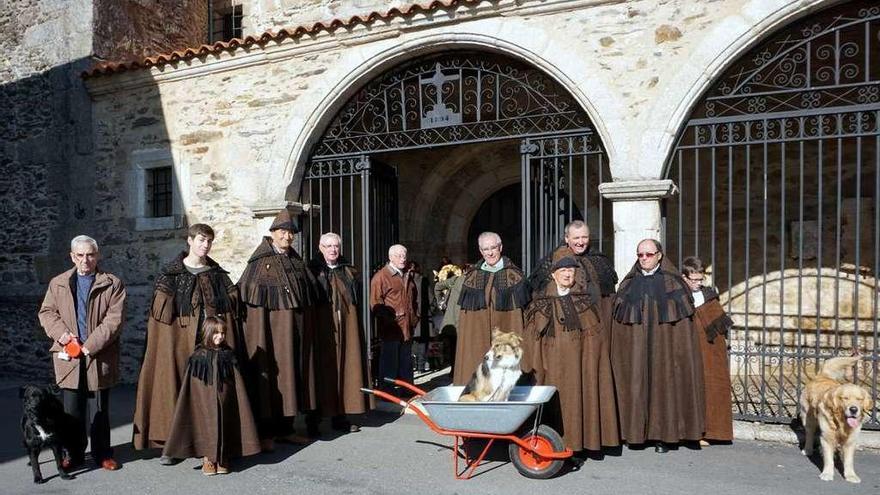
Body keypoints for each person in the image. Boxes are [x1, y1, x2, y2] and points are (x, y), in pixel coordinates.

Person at [133, 223, 240, 463]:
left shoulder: (217, 273)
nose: (205, 245)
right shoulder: (170, 273)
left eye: (209, 241)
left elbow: (232, 301)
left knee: (208, 390)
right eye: (201, 240)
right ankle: (172, 446)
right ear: (189, 241)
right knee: (172, 387)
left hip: (209, 341)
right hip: (177, 341)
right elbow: (159, 315)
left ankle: (207, 442)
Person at [38, 235, 126, 471]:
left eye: (90, 254)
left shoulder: (112, 283)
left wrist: (89, 345)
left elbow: (114, 321)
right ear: (72, 256)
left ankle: (102, 454)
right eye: (80, 255)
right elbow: (46, 313)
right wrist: (64, 337)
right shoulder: (58, 283)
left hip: (99, 355)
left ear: (97, 255)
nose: (85, 260)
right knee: (71, 412)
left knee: (100, 410)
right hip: (68, 355)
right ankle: (74, 455)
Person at [610, 239, 705, 453]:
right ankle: (635, 434)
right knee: (636, 385)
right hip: (636, 352)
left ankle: (664, 436)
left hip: (665, 351)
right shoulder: (628, 283)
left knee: (664, 387)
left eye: (649, 254)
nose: (644, 259)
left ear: (659, 255)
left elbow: (683, 331)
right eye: (640, 255)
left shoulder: (674, 283)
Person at [238, 209, 320, 447]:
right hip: (271, 336)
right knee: (271, 382)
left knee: (292, 377)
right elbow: (247, 296)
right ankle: (266, 433)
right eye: (283, 232)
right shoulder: (259, 262)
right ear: (273, 233)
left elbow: (310, 292)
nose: (288, 237)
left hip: (295, 334)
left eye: (291, 233)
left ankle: (287, 428)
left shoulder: (296, 261)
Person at [522, 257, 619, 452]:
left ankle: (578, 444)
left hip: (578, 366)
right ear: (553, 274)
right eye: (563, 270)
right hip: (550, 367)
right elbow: (532, 339)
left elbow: (595, 340)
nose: (567, 274)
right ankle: (551, 443)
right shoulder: (540, 302)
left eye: (571, 271)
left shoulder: (584, 301)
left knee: (577, 401)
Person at [162, 316, 260, 475]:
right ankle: (208, 458)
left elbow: (236, 382)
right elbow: (191, 385)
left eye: (222, 333)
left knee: (224, 423)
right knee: (206, 425)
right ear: (207, 333)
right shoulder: (198, 357)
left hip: (225, 397)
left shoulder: (228, 355)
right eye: (216, 333)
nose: (220, 337)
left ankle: (222, 457)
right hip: (203, 401)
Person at [309, 232, 370, 433]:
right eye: (329, 246)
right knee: (320, 373)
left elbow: (356, 303)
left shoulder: (350, 271)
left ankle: (340, 415)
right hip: (321, 332)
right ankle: (314, 419)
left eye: (336, 246)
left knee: (344, 370)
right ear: (320, 247)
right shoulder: (311, 271)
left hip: (345, 332)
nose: (333, 250)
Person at [452, 232, 529, 385]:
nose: (490, 252)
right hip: (477, 337)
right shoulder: (471, 277)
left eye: (493, 248)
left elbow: (524, 315)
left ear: (500, 247)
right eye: (485, 249)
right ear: (480, 251)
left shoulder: (516, 276)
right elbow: (465, 318)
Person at [681, 256, 734, 444]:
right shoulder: (678, 296)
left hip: (709, 350)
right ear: (684, 277)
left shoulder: (709, 295)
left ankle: (711, 431)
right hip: (686, 350)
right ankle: (688, 433)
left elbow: (719, 323)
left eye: (700, 279)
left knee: (711, 387)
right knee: (687, 389)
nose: (697, 283)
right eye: (693, 279)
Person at [369, 244, 419, 387]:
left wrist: (415, 318)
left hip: (407, 326)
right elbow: (376, 304)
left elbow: (413, 299)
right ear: (391, 257)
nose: (403, 259)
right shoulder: (381, 277)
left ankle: (407, 390)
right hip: (392, 328)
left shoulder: (408, 274)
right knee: (389, 363)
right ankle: (387, 392)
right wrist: (390, 319)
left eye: (404, 255)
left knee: (406, 362)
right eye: (399, 256)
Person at [433, 262, 465, 371]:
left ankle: (454, 369)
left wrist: (440, 303)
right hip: (459, 320)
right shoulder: (458, 280)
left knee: (453, 346)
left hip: (451, 320)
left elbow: (437, 286)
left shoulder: (455, 280)